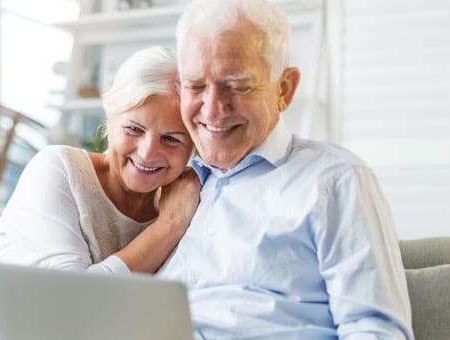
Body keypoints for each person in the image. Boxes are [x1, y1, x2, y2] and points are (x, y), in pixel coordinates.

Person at [155, 0, 414, 339]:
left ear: (284, 89)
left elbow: (377, 332)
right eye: (196, 86)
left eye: (237, 86)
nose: (213, 109)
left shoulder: (336, 180)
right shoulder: (173, 183)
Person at [0, 46, 200, 340]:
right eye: (134, 129)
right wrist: (169, 228)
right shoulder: (57, 168)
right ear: (110, 118)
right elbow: (70, 306)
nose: (148, 152)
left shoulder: (185, 204)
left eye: (171, 139)